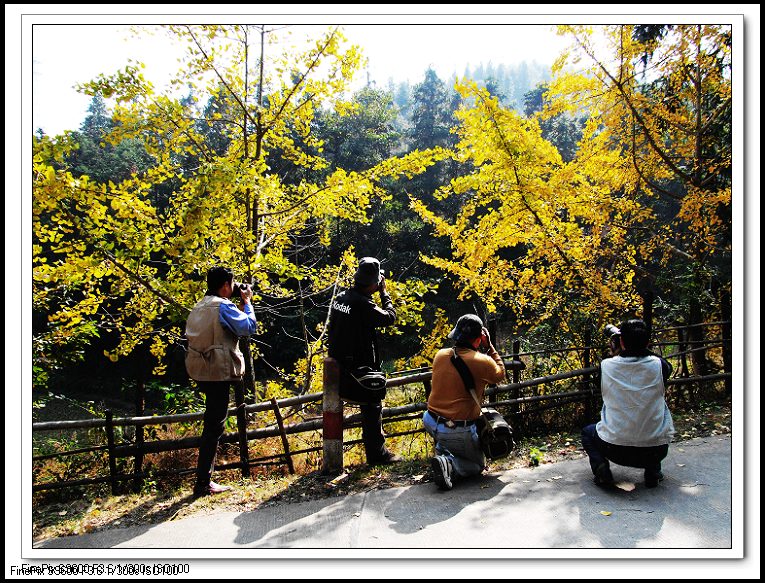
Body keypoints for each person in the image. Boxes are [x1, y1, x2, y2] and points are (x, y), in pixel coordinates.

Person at [185, 266, 257, 498]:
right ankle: (203, 482)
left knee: (213, 422)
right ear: (225, 285)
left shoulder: (200, 305)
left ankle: (204, 479)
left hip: (200, 369)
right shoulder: (223, 306)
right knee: (215, 425)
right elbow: (248, 327)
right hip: (217, 370)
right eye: (232, 283)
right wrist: (247, 302)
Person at [581, 318, 675, 489]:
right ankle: (653, 471)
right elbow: (666, 367)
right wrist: (641, 350)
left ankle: (602, 470)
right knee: (652, 422)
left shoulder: (606, 366)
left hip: (615, 449)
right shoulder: (659, 366)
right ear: (648, 342)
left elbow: (602, 384)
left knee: (587, 433)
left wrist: (618, 352)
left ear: (621, 341)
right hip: (656, 450)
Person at [327, 257, 401, 466]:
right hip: (359, 367)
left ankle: (337, 459)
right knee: (372, 406)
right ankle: (377, 455)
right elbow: (389, 317)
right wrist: (384, 294)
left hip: (338, 365)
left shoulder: (341, 298)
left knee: (363, 407)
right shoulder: (363, 304)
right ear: (374, 283)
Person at [424, 314, 506, 490]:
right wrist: (490, 346)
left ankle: (443, 450)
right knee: (478, 466)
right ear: (478, 339)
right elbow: (500, 374)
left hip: (430, 420)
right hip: (457, 429)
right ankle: (450, 464)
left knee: (448, 435)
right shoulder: (482, 361)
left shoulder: (440, 355)